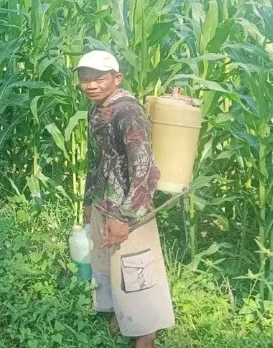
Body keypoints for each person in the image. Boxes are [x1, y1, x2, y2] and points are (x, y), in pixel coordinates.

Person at [77, 50, 174, 348]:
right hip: (104, 202)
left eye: (99, 78)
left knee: (135, 272)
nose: (91, 85)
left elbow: (145, 169)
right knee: (108, 265)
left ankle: (146, 335)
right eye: (85, 79)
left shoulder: (127, 112)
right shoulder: (98, 109)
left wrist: (125, 217)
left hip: (128, 208)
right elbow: (98, 159)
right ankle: (122, 316)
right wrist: (89, 202)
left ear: (117, 78)